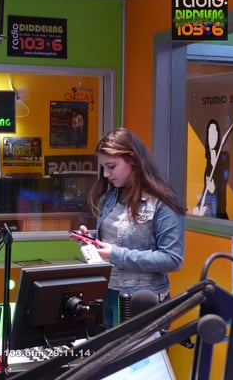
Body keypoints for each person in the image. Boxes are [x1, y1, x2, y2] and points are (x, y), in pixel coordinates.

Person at [77, 127, 185, 328]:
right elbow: (116, 239)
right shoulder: (111, 196)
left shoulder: (162, 202)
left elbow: (173, 259)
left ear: (133, 160)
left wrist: (115, 254)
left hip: (143, 301)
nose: (106, 174)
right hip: (108, 294)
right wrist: (91, 241)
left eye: (111, 166)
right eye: (103, 167)